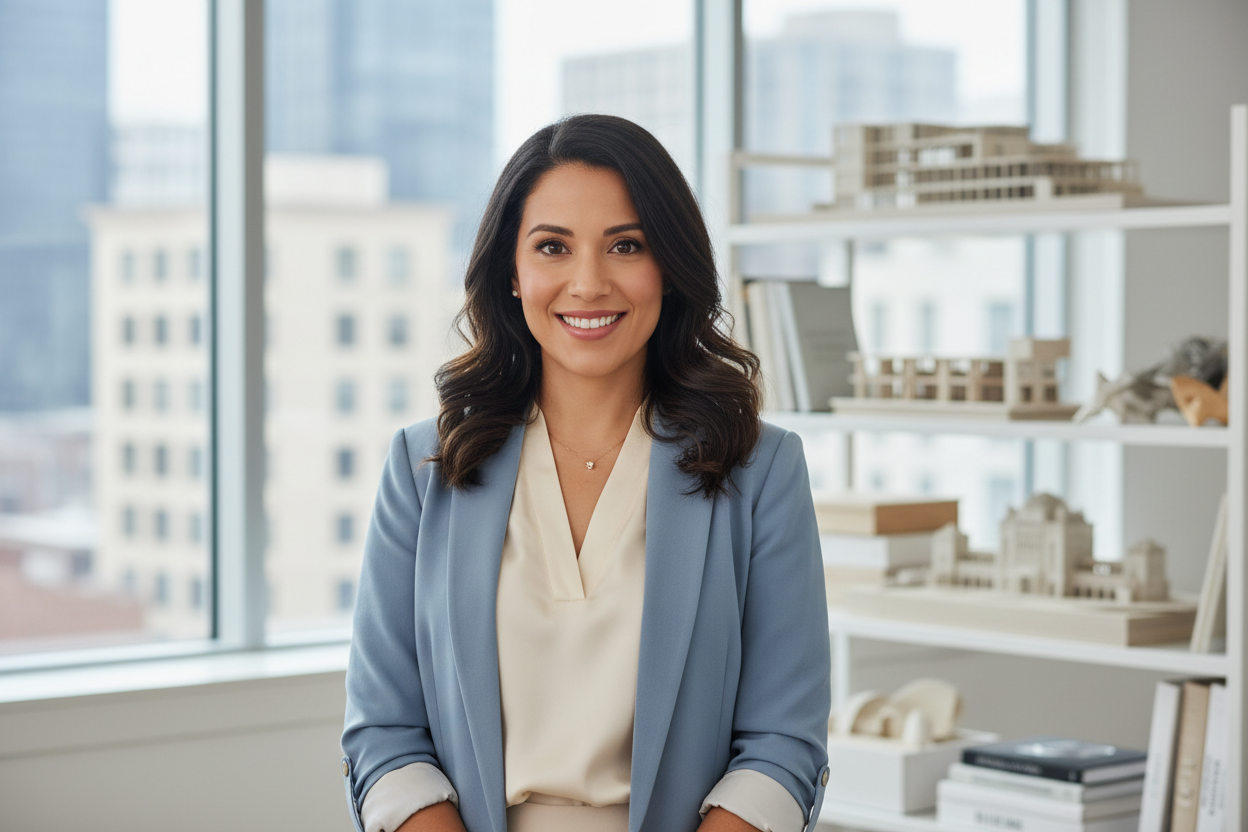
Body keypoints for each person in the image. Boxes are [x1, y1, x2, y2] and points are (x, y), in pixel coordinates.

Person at [341, 114, 830, 832]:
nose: (589, 283)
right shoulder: (425, 469)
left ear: (669, 265)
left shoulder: (762, 471)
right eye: (552, 248)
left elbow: (781, 744)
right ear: (512, 272)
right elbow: (384, 733)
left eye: (626, 245)